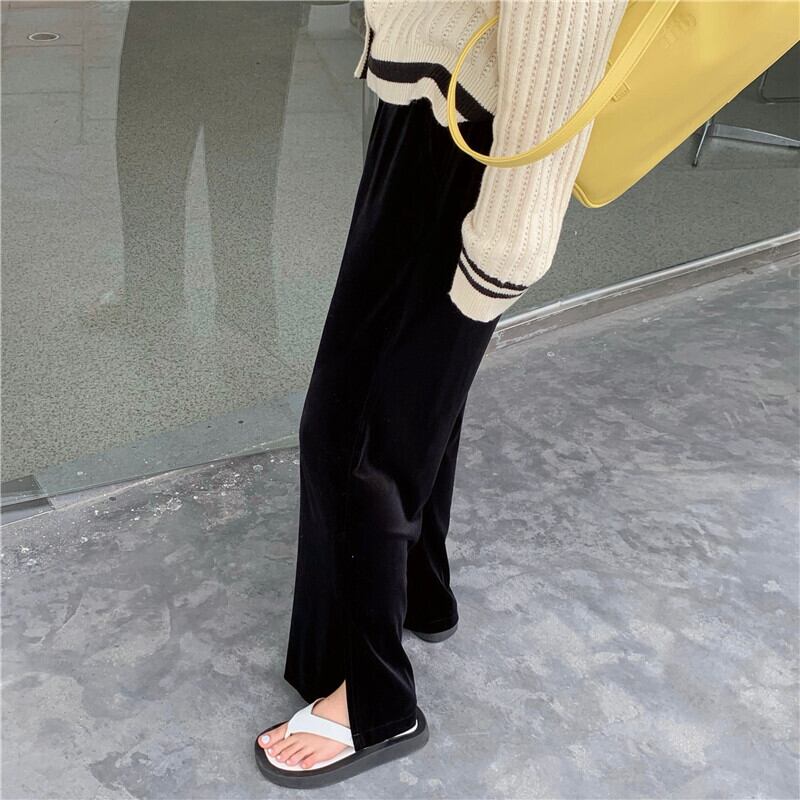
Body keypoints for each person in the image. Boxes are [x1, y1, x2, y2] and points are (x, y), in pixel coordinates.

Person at [255, 0, 627, 789]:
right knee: (411, 409)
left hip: (477, 138)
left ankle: (377, 701)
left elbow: (566, 33)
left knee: (355, 430)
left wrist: (508, 245)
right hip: (435, 103)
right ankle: (421, 592)